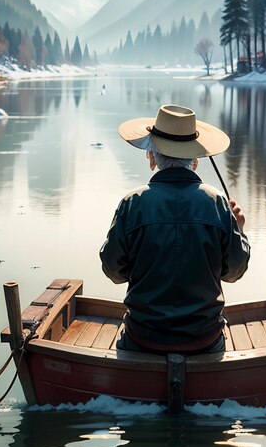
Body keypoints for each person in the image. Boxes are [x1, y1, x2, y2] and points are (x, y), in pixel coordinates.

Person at [100, 104, 250, 354]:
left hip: (142, 337)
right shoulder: (217, 203)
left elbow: (114, 272)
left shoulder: (132, 203)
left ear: (151, 156)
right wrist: (240, 231)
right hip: (205, 339)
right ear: (194, 160)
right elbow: (233, 272)